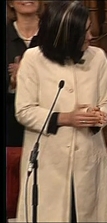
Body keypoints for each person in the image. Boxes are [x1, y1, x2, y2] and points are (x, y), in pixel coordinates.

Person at [14, 1, 107, 222]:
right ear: (66, 35)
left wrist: (99, 115)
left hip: (87, 162)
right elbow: (23, 110)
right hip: (48, 166)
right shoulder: (33, 60)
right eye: (85, 31)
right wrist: (66, 118)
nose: (91, 36)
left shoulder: (97, 57)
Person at [6, 0, 42, 147]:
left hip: (46, 118)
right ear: (11, 3)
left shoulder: (52, 35)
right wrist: (13, 83)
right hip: (11, 122)